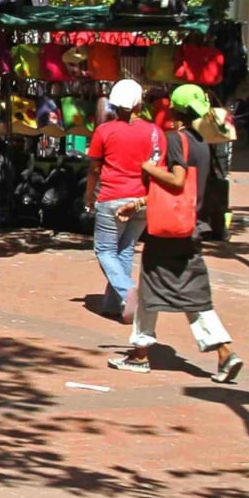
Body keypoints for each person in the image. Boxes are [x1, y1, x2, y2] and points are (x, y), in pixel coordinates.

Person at [108, 84, 244, 383]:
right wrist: (139, 203)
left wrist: (147, 167)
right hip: (189, 227)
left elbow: (177, 180)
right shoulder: (202, 142)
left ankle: (141, 353)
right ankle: (224, 352)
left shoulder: (175, 139)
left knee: (149, 288)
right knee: (193, 294)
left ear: (173, 109)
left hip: (167, 231)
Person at [83, 79, 153, 321]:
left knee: (104, 250)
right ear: (138, 104)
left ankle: (127, 292)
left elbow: (94, 168)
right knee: (124, 250)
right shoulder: (154, 132)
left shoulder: (104, 131)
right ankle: (115, 305)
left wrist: (89, 195)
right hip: (142, 199)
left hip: (112, 197)